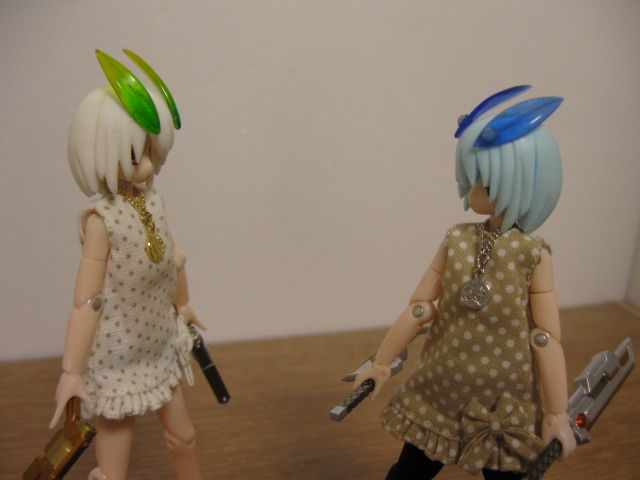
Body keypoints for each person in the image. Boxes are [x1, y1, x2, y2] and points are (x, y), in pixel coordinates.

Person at [353, 87, 577, 479]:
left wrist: (557, 413)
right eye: (471, 179)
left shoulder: (533, 253)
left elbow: (545, 337)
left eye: (485, 184)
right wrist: (381, 363)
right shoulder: (456, 238)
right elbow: (419, 308)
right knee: (410, 470)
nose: (472, 192)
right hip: (440, 384)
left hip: (502, 399)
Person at [49, 50, 204, 480]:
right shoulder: (101, 220)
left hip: (160, 342)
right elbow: (88, 301)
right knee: (113, 467)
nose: (150, 164)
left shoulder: (154, 201)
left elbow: (172, 258)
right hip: (119, 356)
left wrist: (184, 305)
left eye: (153, 150)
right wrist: (71, 371)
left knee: (185, 438)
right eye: (137, 155)